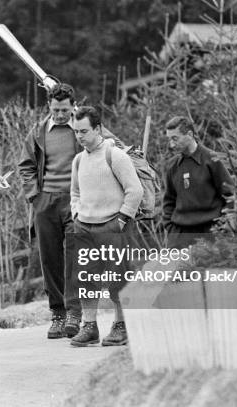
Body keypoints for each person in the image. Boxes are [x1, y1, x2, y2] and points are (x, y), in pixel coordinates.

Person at [69, 106, 143, 347]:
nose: (80, 136)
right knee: (86, 279)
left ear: (98, 129)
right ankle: (89, 326)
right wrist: (76, 215)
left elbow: (135, 191)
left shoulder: (115, 156)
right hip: (85, 227)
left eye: (84, 131)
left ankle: (121, 325)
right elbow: (75, 192)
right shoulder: (79, 160)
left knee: (117, 279)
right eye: (76, 132)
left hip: (112, 226)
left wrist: (121, 219)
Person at [18, 83, 83, 339]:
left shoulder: (82, 128)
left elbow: (106, 145)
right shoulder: (38, 131)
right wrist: (34, 195)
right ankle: (57, 314)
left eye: (64, 110)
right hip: (46, 202)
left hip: (76, 201)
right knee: (50, 259)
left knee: (75, 257)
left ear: (72, 106)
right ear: (49, 106)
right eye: (55, 110)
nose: (59, 115)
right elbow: (25, 165)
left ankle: (74, 313)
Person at [162, 116, 234, 247]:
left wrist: (223, 226)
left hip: (211, 233)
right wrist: (171, 229)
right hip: (180, 235)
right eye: (169, 139)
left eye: (175, 138)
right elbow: (169, 201)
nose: (171, 144)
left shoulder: (212, 160)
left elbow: (230, 195)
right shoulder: (172, 166)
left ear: (189, 134)